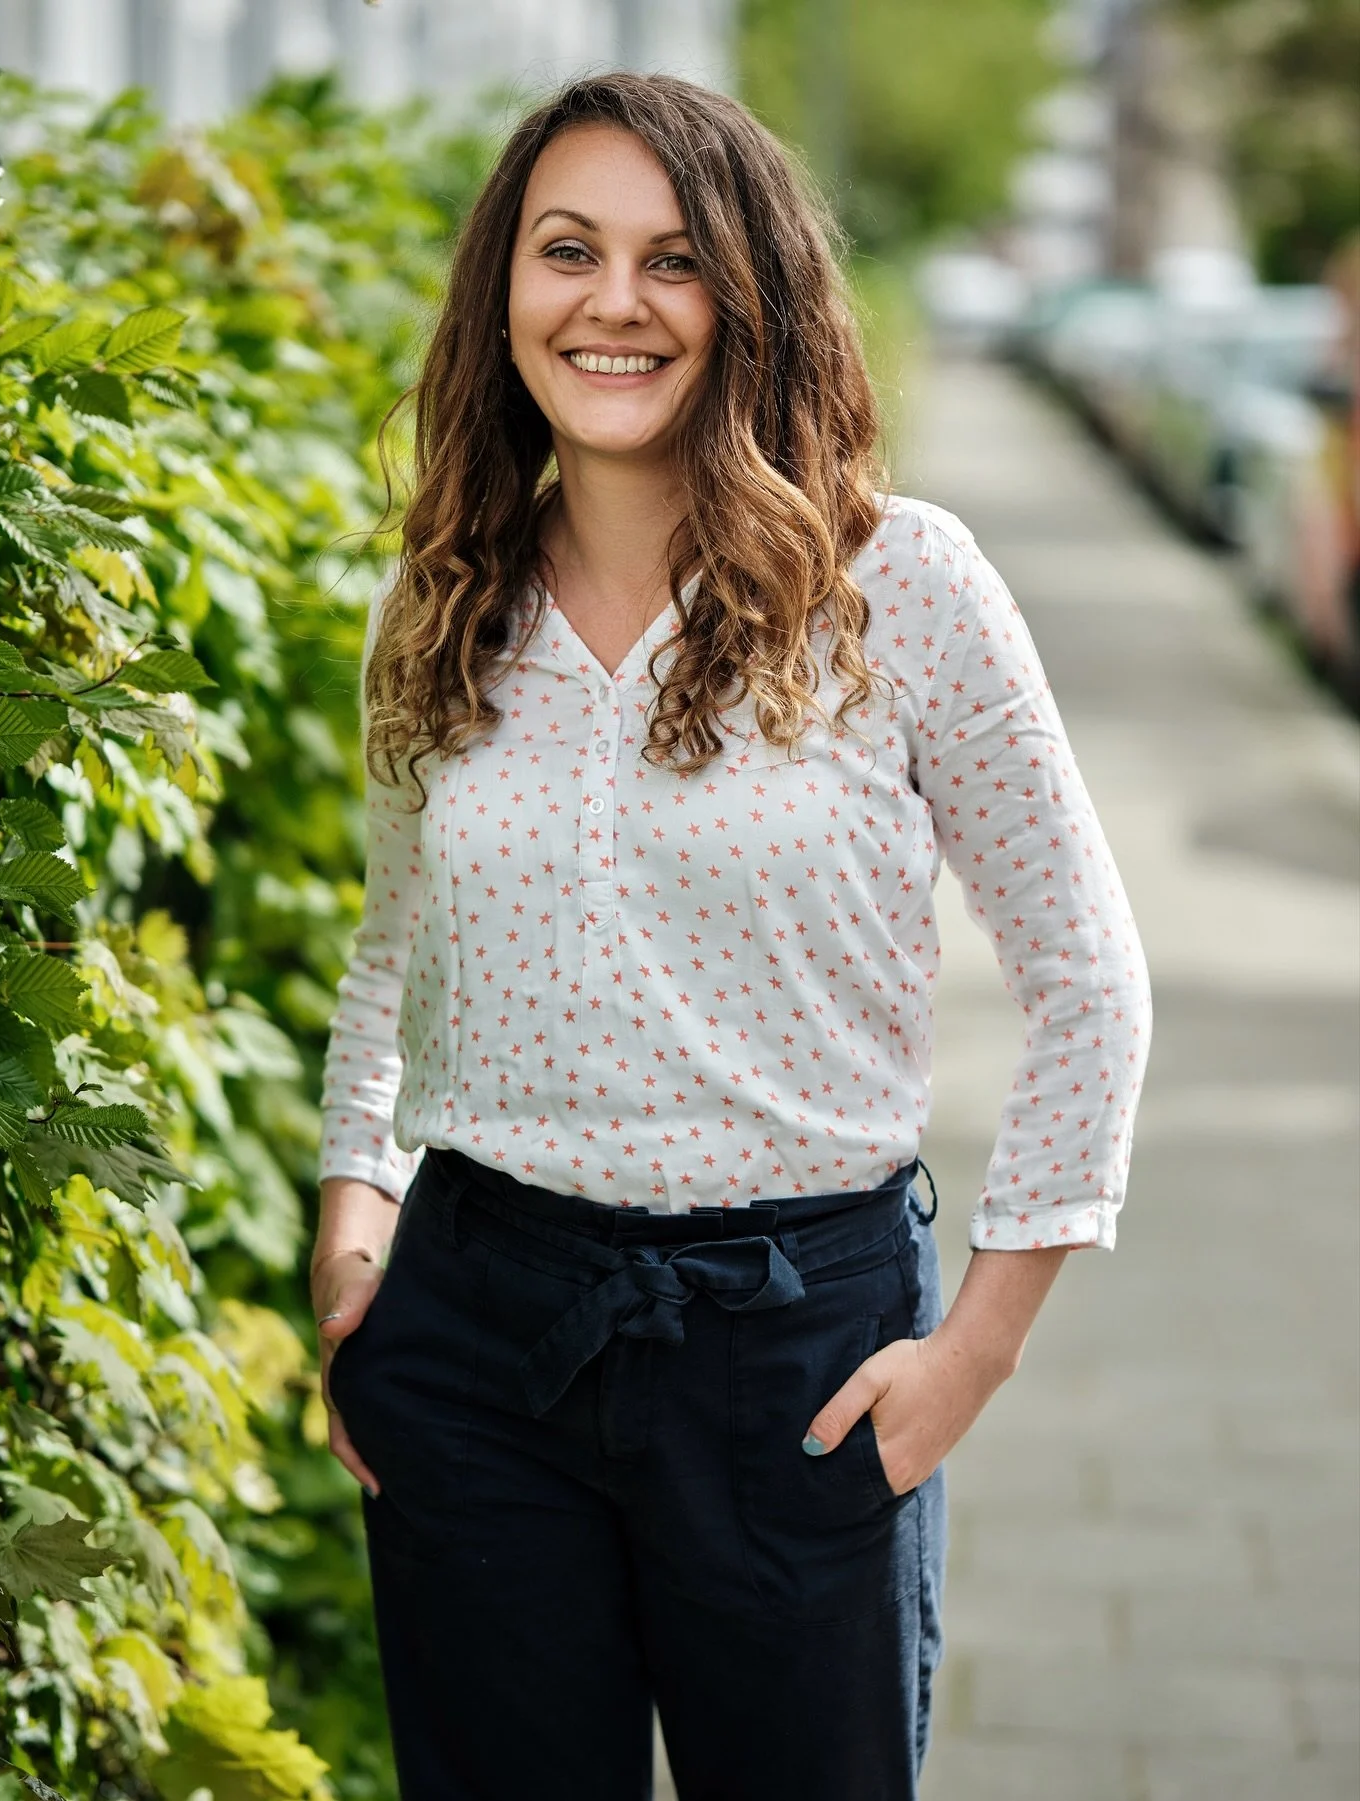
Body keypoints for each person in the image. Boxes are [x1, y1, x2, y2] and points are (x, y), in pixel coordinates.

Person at [309, 71, 1151, 1801]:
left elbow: (1088, 982)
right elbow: (393, 956)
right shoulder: (437, 602)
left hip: (801, 1354)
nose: (612, 303)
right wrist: (350, 1240)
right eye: (568, 253)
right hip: (475, 1340)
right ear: (504, 297)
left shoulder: (899, 587)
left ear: (749, 301)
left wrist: (973, 1356)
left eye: (672, 260)